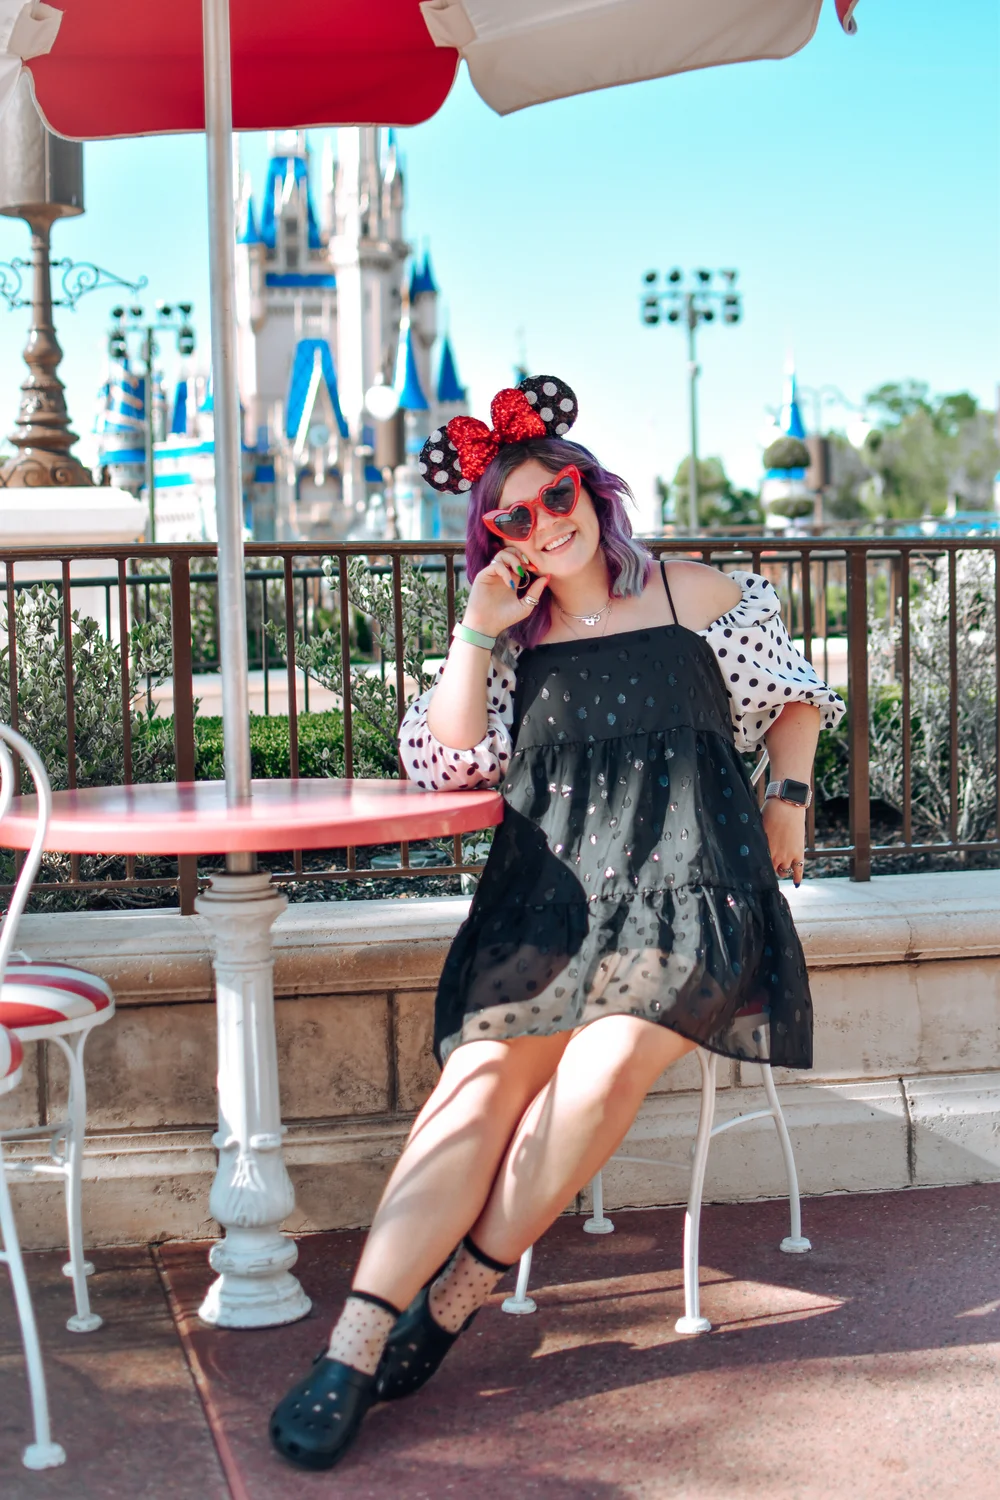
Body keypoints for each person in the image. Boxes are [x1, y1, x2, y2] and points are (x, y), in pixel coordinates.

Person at [270, 375, 845, 1471]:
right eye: (516, 516)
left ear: (595, 489)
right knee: (478, 1086)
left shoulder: (696, 593)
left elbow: (794, 693)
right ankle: (348, 1349)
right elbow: (447, 756)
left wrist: (786, 799)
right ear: (498, 536)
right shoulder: (509, 634)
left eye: (560, 494)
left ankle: (455, 1296)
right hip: (552, 902)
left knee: (602, 1068)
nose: (547, 522)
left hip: (693, 890)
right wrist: (478, 629)